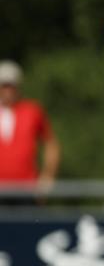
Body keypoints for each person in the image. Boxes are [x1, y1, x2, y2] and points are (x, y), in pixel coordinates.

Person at [0, 60, 60, 199]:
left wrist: (47, 177)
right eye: (4, 85)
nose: (8, 90)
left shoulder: (32, 111)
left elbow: (51, 144)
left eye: (12, 86)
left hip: (27, 190)